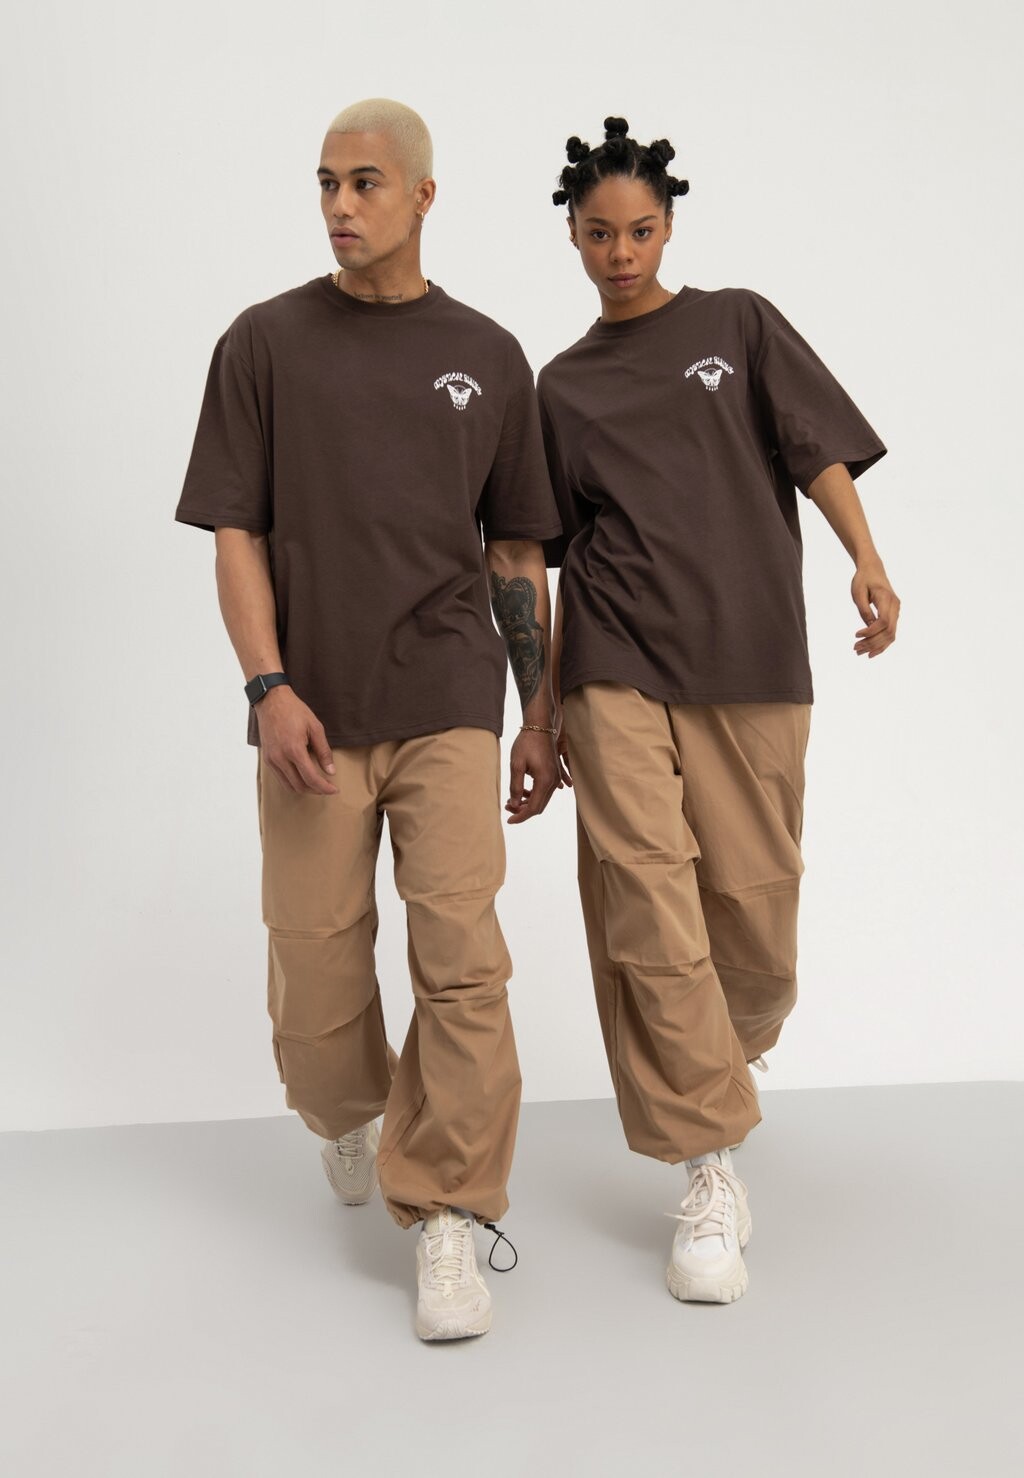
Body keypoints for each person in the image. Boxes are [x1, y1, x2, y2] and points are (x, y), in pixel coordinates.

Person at [175, 98, 562, 1341]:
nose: (340, 205)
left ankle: (447, 1208)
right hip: (311, 706)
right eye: (326, 182)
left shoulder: (488, 354)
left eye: (365, 182)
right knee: (315, 964)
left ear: (423, 196)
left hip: (447, 692)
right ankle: (349, 1111)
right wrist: (267, 685)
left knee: (462, 959)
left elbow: (515, 551)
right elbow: (234, 531)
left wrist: (536, 710)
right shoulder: (263, 342)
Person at [538, 117, 900, 1304]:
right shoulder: (560, 385)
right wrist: (540, 711)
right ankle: (706, 1165)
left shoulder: (737, 323)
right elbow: (551, 559)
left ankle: (719, 1060)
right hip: (611, 658)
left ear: (668, 228)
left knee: (755, 923)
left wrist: (864, 556)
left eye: (639, 231)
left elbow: (814, 450)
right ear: (572, 237)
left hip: (748, 655)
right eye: (600, 234)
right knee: (645, 895)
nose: (620, 254)